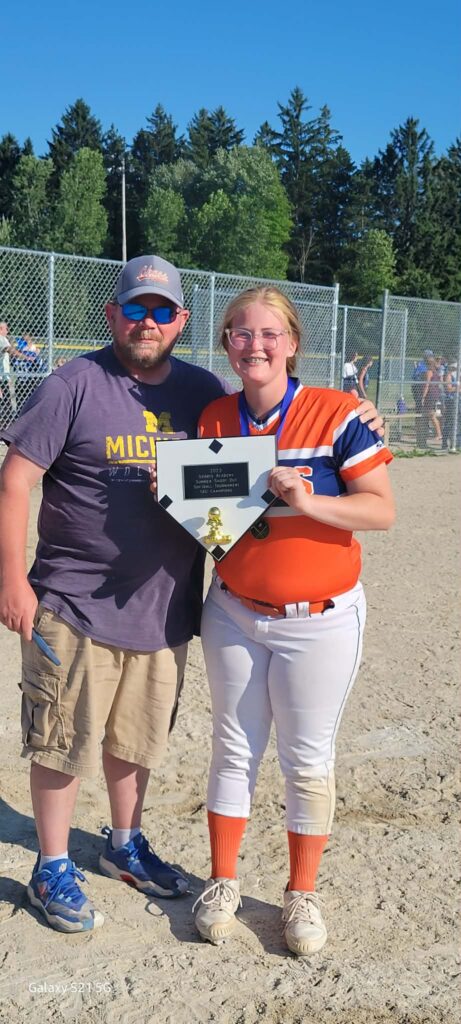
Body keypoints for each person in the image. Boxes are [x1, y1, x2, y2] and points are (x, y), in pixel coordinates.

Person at [0, 255, 384, 936]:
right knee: (63, 742)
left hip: (164, 603)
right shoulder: (78, 385)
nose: (147, 322)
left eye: (161, 311)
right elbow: (15, 482)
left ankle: (126, 843)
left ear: (180, 320)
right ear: (112, 314)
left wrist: (350, 437)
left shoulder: (204, 393)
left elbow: (267, 473)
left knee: (136, 738)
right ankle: (53, 863)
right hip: (78, 599)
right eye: (135, 308)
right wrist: (11, 581)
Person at [191, 286, 394, 956]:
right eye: (240, 334)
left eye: (268, 333)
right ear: (225, 343)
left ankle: (299, 893)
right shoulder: (214, 417)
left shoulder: (336, 414)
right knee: (232, 750)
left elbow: (379, 510)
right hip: (233, 611)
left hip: (319, 620)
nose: (254, 345)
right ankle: (222, 881)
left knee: (305, 760)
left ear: (293, 342)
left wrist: (308, 503)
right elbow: (207, 521)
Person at [421, 356, 442, 446]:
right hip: (435, 394)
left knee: (431, 415)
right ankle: (429, 433)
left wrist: (423, 396)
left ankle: (438, 434)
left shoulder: (429, 372)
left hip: (431, 394)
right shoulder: (436, 371)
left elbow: (427, 385)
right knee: (428, 414)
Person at [0, 321, 15, 428]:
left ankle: (4, 427)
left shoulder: (4, 339)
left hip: (4, 376)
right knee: (4, 405)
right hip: (1, 377)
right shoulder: (1, 339)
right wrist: (24, 355)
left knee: (6, 404)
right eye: (6, 328)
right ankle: (3, 428)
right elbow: (8, 350)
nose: (7, 331)